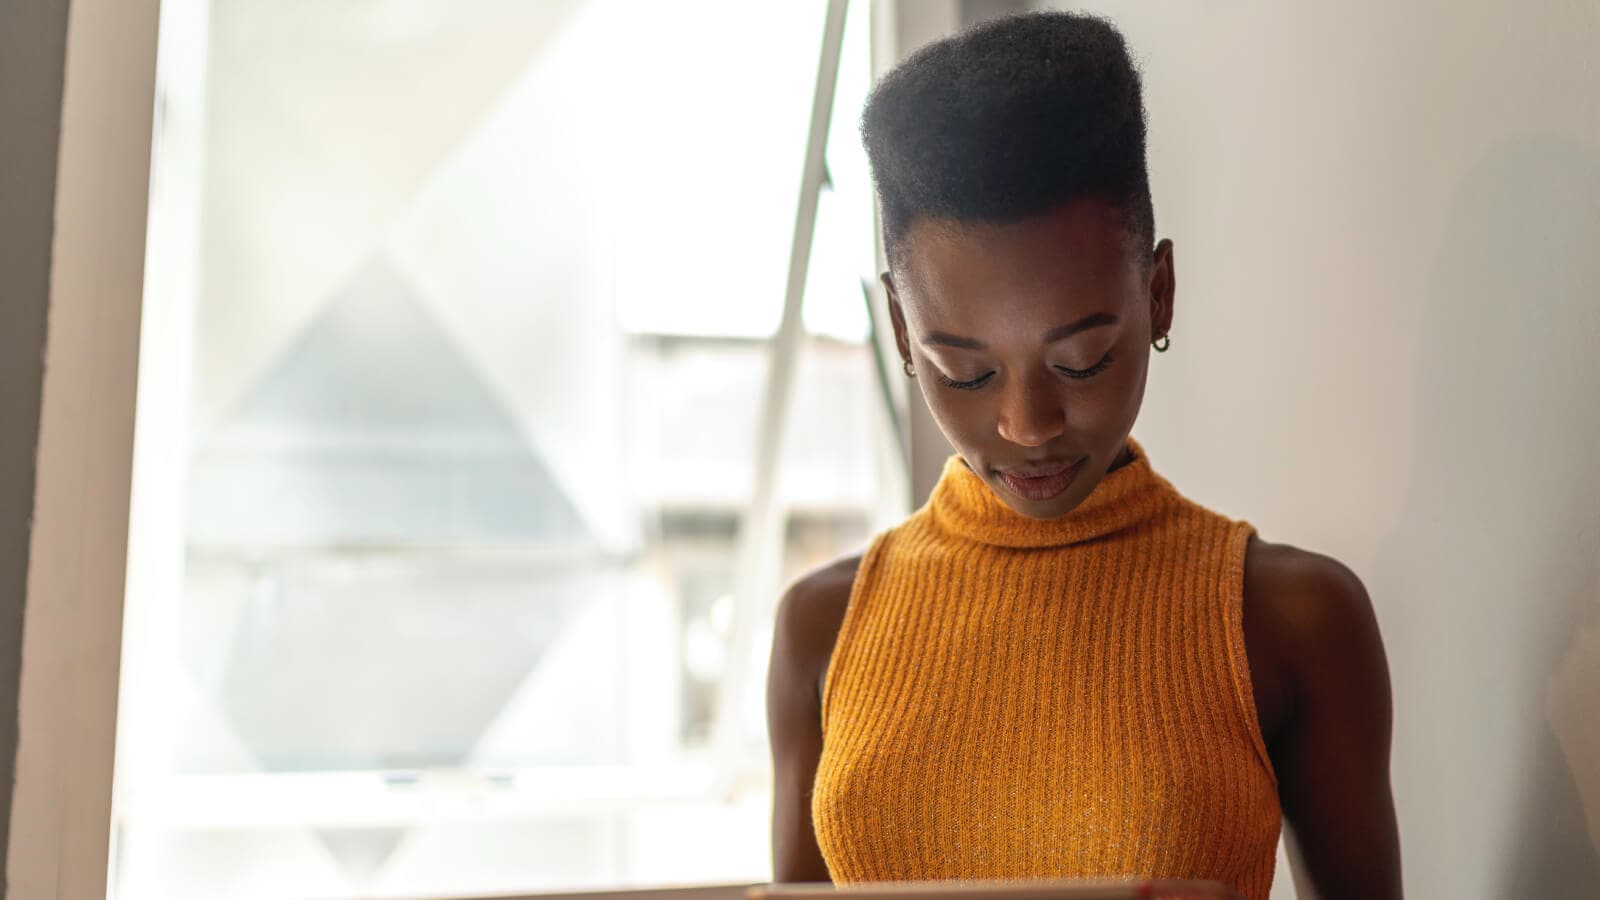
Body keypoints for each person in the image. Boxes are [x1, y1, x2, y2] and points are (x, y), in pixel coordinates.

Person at [765, 11, 1402, 900]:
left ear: (1160, 295)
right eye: (966, 370)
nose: (1029, 424)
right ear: (903, 334)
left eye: (1082, 360)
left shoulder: (1292, 619)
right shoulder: (823, 632)